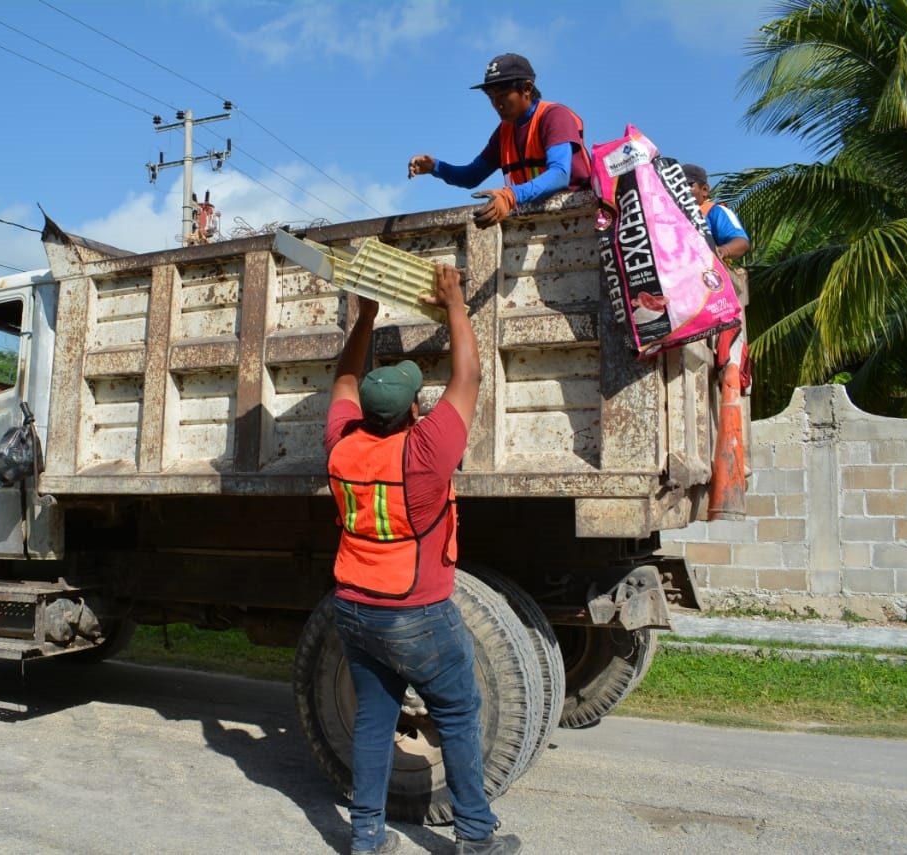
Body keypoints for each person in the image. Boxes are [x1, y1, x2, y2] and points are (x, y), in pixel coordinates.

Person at [324, 266, 520, 855]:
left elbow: (343, 379)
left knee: (374, 724)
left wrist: (362, 319)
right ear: (413, 411)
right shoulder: (426, 456)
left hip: (355, 608)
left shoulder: (341, 445)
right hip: (417, 614)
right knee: (458, 714)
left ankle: (366, 839)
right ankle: (476, 837)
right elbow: (471, 374)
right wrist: (456, 301)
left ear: (365, 414)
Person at [408, 53, 590, 230]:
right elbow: (472, 175)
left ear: (527, 88)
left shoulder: (554, 116)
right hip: (536, 223)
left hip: (578, 216)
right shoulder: (505, 130)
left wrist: (511, 195)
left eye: (503, 95)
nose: (497, 104)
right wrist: (436, 167)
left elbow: (559, 174)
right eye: (491, 98)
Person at [682, 164, 750, 263]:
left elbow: (741, 242)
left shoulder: (715, 211)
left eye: (687, 185)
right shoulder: (666, 215)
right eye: (677, 187)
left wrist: (722, 251)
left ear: (704, 190)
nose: (681, 190)